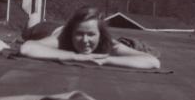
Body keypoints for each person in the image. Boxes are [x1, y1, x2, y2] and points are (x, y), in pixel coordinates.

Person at [19, 6, 161, 69]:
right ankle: (33, 16)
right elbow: (27, 48)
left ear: (100, 34)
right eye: (79, 34)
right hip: (45, 29)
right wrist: (74, 56)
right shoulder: (62, 38)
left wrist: (105, 59)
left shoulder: (109, 43)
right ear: (72, 33)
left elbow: (153, 61)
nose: (85, 40)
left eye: (91, 34)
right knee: (30, 28)